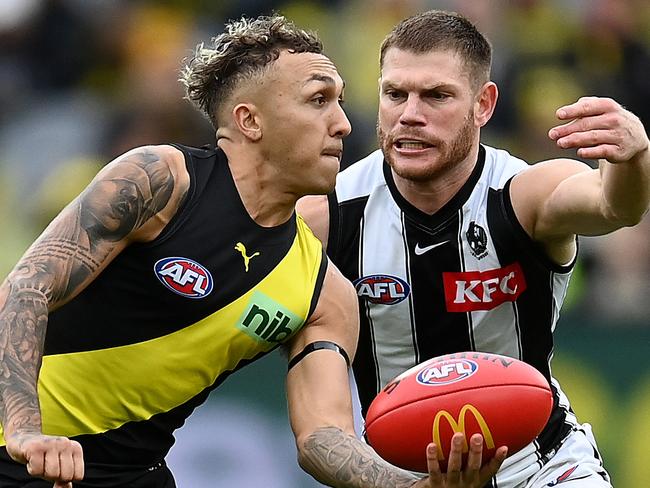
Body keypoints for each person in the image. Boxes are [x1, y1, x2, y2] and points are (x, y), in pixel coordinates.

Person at [0, 13, 506, 488]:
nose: (344, 124)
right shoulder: (160, 181)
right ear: (250, 120)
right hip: (13, 448)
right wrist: (24, 430)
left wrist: (414, 485)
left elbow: (322, 438)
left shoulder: (325, 292)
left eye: (341, 101)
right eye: (317, 100)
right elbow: (26, 289)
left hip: (129, 474)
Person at [297, 9, 649, 488]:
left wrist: (633, 159)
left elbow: (613, 206)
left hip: (542, 467)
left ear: (484, 105)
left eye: (436, 95)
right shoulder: (326, 218)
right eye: (394, 94)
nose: (409, 114)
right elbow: (318, 434)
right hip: (399, 478)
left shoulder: (521, 194)